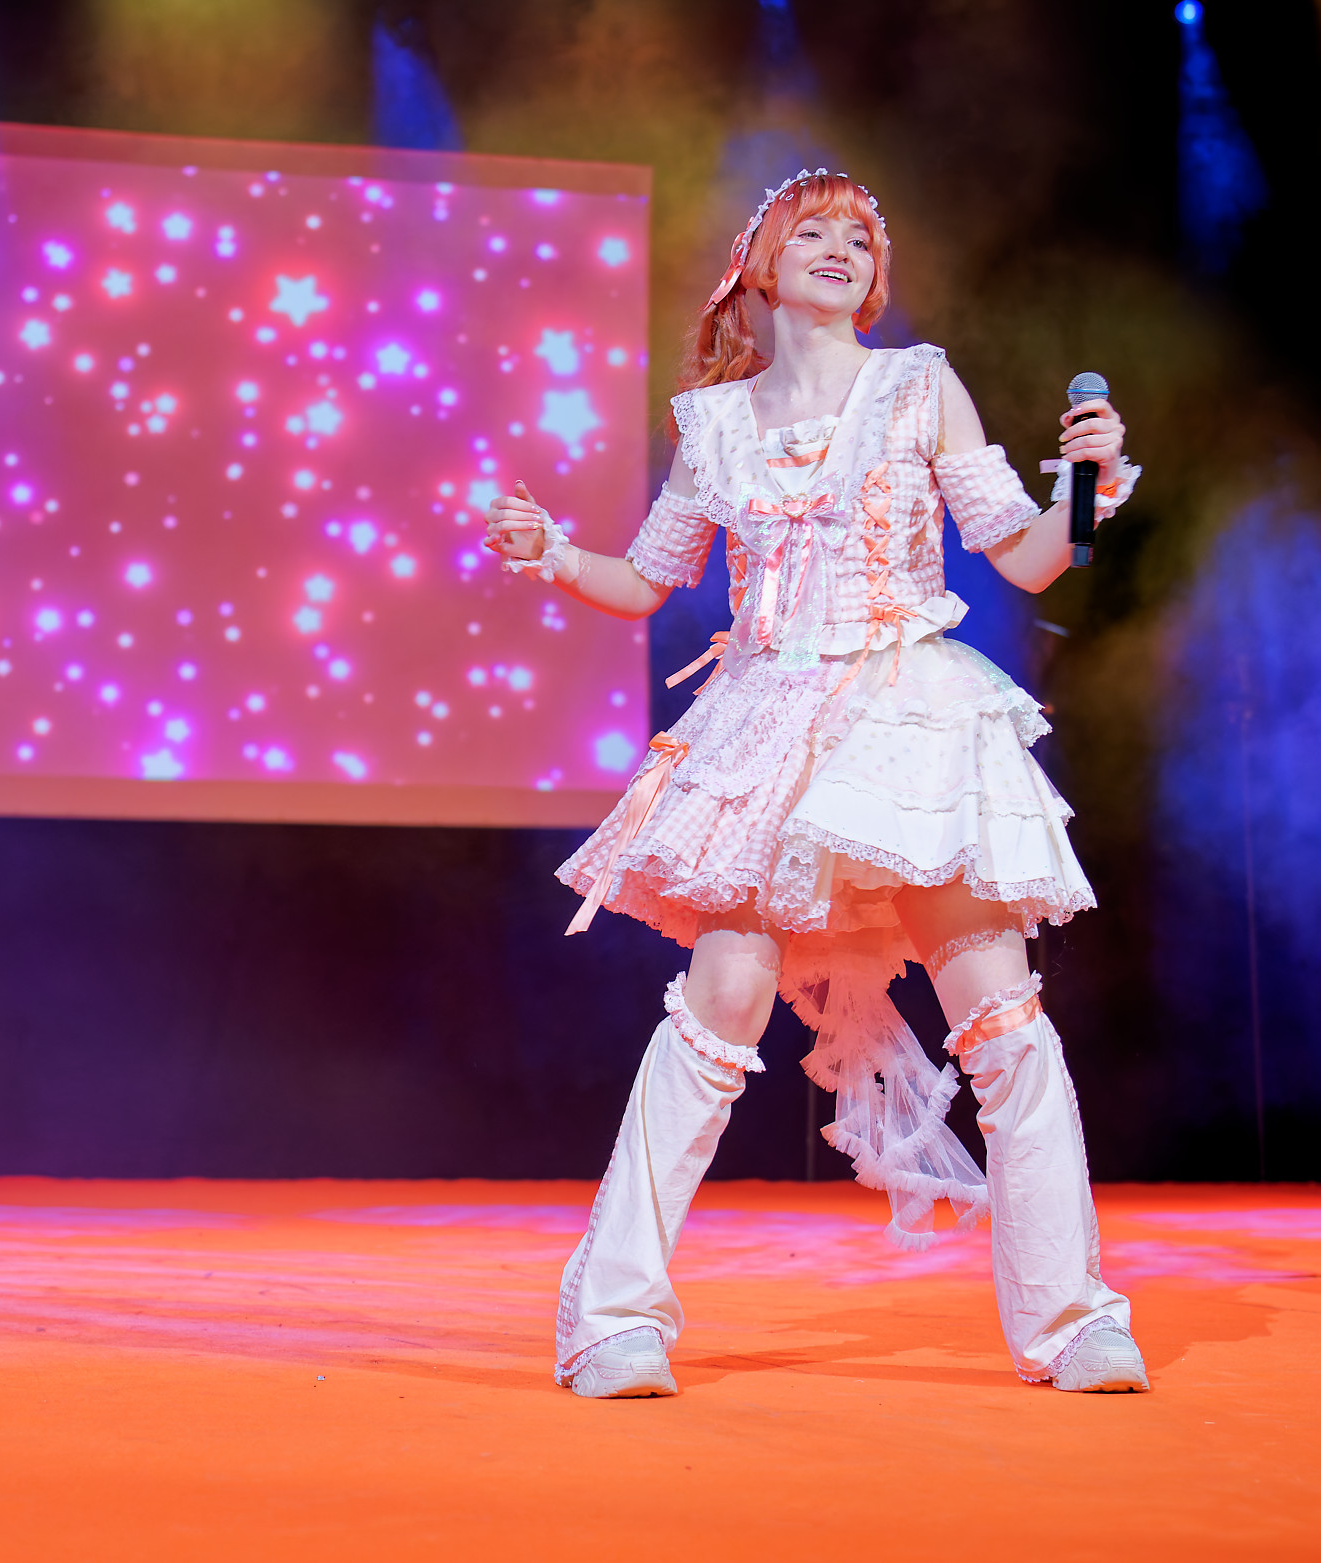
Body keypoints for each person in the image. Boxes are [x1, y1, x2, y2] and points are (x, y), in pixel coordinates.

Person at [485, 169, 1147, 1398]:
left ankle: (1071, 1320)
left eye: (861, 236)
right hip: (766, 723)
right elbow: (647, 580)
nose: (842, 247)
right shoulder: (713, 424)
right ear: (760, 266)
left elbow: (1027, 558)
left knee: (999, 1013)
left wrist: (1082, 488)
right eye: (815, 231)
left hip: (909, 716)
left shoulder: (918, 384)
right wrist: (552, 554)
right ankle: (613, 1318)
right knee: (723, 998)